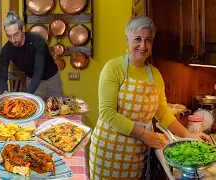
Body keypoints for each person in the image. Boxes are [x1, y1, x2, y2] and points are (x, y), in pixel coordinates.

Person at [89, 16, 212, 180]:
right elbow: (107, 113)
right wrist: (144, 135)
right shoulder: (113, 68)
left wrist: (189, 135)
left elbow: (162, 112)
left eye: (148, 40)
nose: (143, 45)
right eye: (137, 39)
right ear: (127, 40)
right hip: (109, 149)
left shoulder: (155, 74)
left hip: (137, 152)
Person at [0, 11, 63, 99]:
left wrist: (25, 95)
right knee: (33, 107)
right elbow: (3, 75)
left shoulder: (38, 41)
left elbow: (38, 70)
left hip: (52, 77)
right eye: (9, 36)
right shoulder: (6, 50)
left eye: (16, 34)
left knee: (57, 104)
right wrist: (4, 92)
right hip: (31, 78)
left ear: (23, 29)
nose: (13, 40)